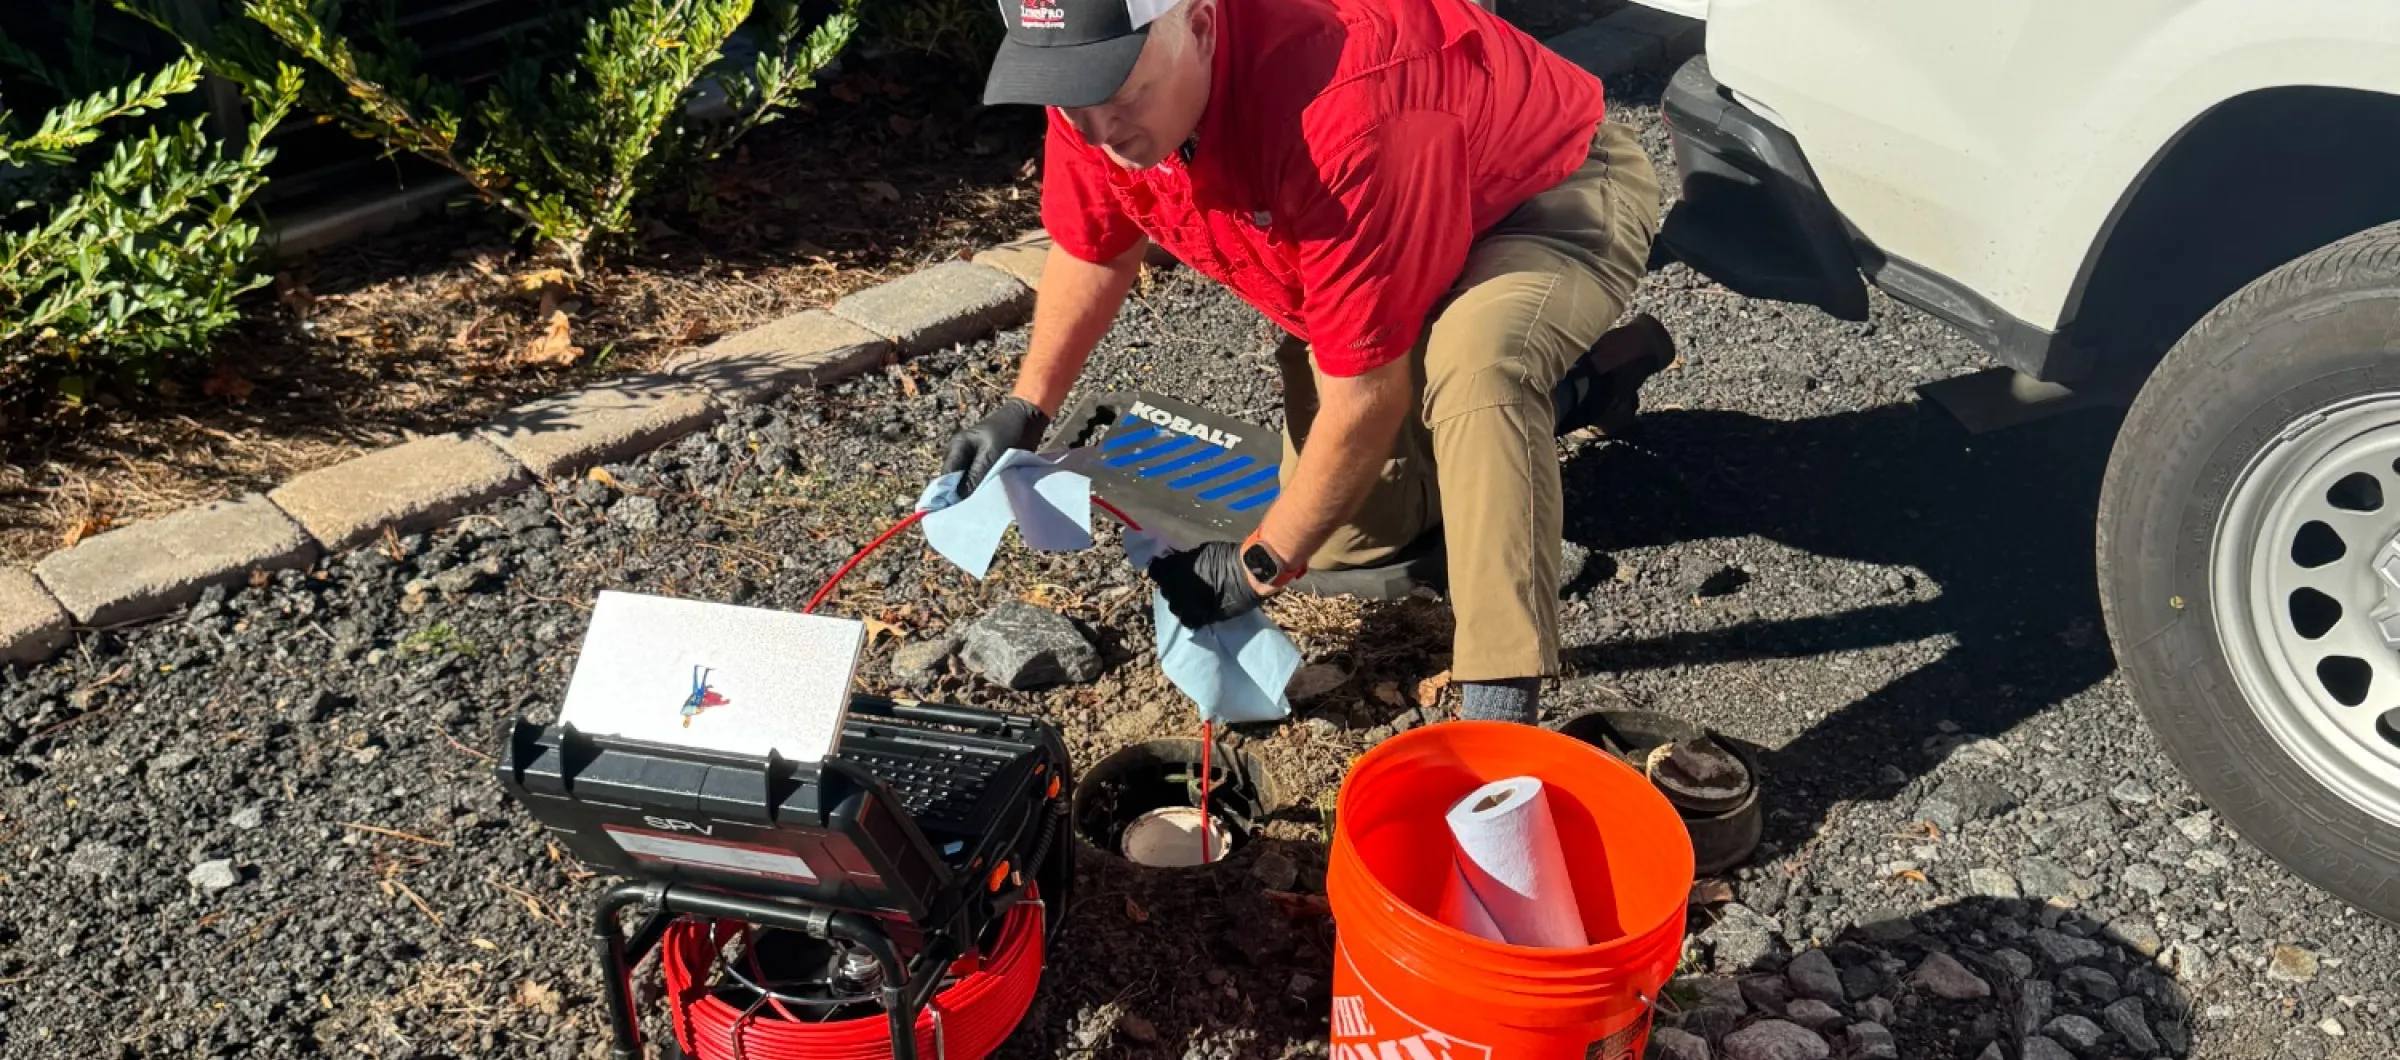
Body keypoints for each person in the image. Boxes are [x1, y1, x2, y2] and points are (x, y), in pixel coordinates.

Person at [943, 0, 1673, 723]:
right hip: (1399, 227)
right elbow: (1094, 245)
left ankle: (1501, 713)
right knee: (1348, 544)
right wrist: (1027, 408)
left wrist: (1254, 568)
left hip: (1540, 191)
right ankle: (1581, 389)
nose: (1100, 133)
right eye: (1074, 105)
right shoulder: (1094, 92)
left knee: (1481, 370)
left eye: (1122, 96)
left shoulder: (1343, 106)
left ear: (1199, 24)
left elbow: (1363, 399)